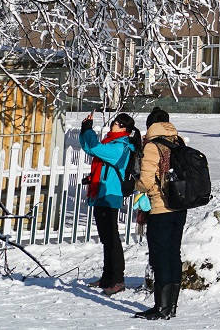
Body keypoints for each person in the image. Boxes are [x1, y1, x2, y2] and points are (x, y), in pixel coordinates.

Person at [132, 108, 186, 321]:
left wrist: (133, 182)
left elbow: (145, 182)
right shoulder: (178, 142)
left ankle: (160, 307)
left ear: (149, 125)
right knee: (174, 254)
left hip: (160, 208)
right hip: (180, 207)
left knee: (161, 256)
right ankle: (171, 306)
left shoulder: (153, 146)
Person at [79, 112, 139, 294]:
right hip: (102, 193)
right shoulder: (111, 142)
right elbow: (89, 148)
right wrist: (85, 129)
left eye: (117, 123)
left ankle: (118, 279)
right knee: (107, 239)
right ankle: (107, 277)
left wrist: (89, 131)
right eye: (114, 122)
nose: (113, 124)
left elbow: (95, 148)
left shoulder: (121, 147)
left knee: (112, 239)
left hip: (110, 194)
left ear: (124, 129)